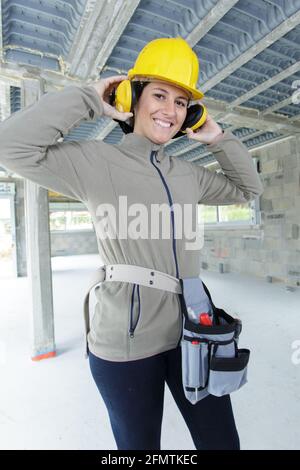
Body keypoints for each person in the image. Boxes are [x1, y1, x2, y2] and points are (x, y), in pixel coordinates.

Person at [0, 37, 264, 450]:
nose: (170, 111)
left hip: (194, 330)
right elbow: (9, 145)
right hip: (125, 342)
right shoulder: (94, 161)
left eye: (181, 103)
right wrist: (88, 98)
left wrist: (219, 139)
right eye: (159, 95)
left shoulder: (187, 174)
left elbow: (247, 188)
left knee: (222, 443)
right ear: (134, 98)